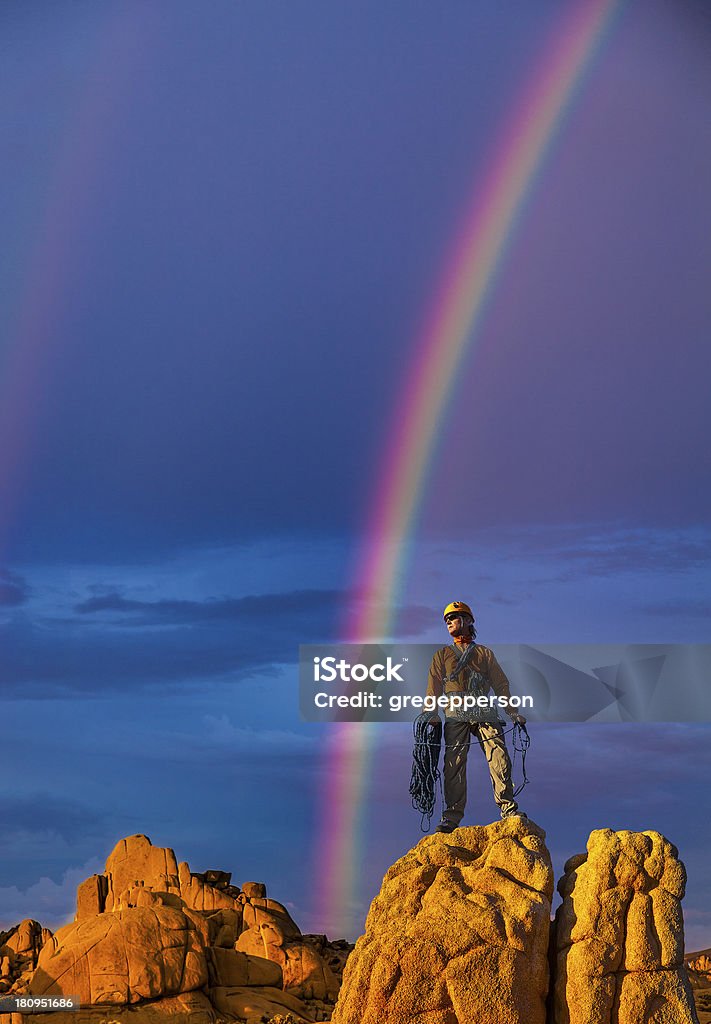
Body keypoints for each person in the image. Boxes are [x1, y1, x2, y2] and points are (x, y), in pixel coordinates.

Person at [427, 601, 526, 833]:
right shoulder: (442, 655)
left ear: (469, 621)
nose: (449, 621)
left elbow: (501, 684)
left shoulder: (484, 654)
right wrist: (430, 713)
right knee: (454, 764)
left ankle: (508, 808)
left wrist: (513, 712)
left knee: (499, 756)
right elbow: (433, 687)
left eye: (455, 616)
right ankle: (451, 817)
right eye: (447, 619)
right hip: (455, 711)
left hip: (483, 709)